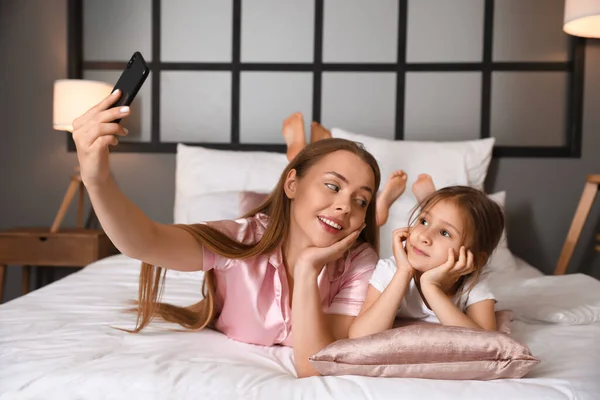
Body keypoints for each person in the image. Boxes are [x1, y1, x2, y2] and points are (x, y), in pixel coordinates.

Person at [71, 89, 384, 378]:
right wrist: (97, 181)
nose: (345, 206)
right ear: (292, 184)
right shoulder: (241, 239)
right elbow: (146, 242)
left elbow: (312, 365)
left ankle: (301, 152)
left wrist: (306, 270)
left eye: (361, 200)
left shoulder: (359, 264)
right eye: (333, 185)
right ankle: (298, 152)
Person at [348, 179, 505, 339]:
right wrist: (404, 272)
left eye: (444, 233)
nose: (424, 236)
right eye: (423, 221)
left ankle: (427, 199)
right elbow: (360, 335)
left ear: (476, 260)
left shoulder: (473, 283)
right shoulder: (391, 269)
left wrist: (431, 287)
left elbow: (486, 343)